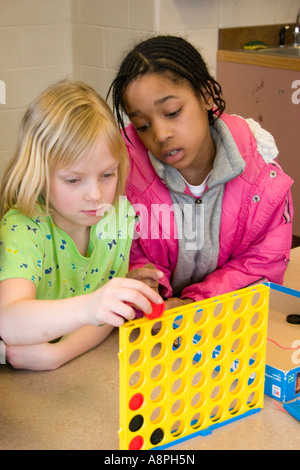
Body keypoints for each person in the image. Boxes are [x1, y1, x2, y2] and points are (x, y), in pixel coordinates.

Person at [108, 35, 294, 311]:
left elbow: (260, 265)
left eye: (172, 112)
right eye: (143, 125)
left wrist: (191, 304)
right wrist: (146, 287)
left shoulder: (261, 175)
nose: (160, 134)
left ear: (206, 95)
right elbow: (120, 253)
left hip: (224, 321)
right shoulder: (120, 174)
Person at [0, 79, 163, 371]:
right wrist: (91, 304)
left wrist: (59, 354)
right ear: (38, 173)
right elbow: (9, 321)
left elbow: (106, 314)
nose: (95, 195)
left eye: (107, 174)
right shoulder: (24, 228)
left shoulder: (117, 218)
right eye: (74, 180)